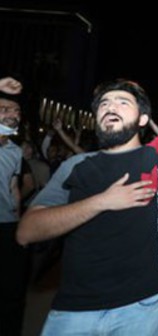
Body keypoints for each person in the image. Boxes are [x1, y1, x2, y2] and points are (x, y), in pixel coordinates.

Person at [16, 16, 158, 335]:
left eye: (123, 102)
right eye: (104, 103)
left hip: (143, 306)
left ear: (143, 119)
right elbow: (26, 231)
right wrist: (101, 202)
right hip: (76, 309)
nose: (110, 107)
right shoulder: (76, 167)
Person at [0, 76, 27, 335]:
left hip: (8, 227)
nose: (12, 115)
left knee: (11, 293)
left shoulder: (15, 151)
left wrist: (20, 226)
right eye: (4, 109)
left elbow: (14, 189)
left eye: (16, 110)